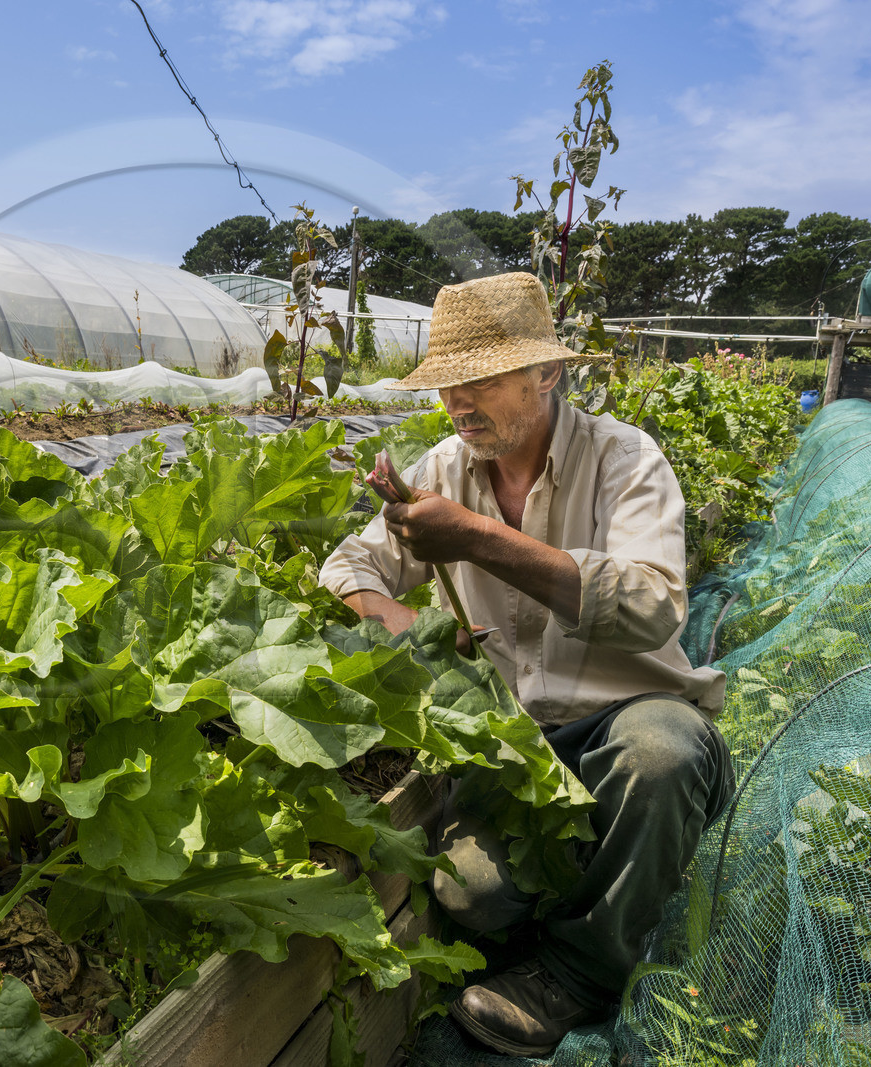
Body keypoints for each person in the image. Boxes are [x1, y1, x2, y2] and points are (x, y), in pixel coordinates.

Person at [318, 272, 734, 1057]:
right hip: (516, 743)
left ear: (547, 372)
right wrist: (410, 625)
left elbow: (652, 606)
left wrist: (476, 539)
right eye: (447, 385)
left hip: (626, 719)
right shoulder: (445, 467)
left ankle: (581, 972)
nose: (459, 403)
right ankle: (616, 868)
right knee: (469, 898)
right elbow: (348, 566)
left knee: (661, 755)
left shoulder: (624, 459)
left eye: (480, 380)